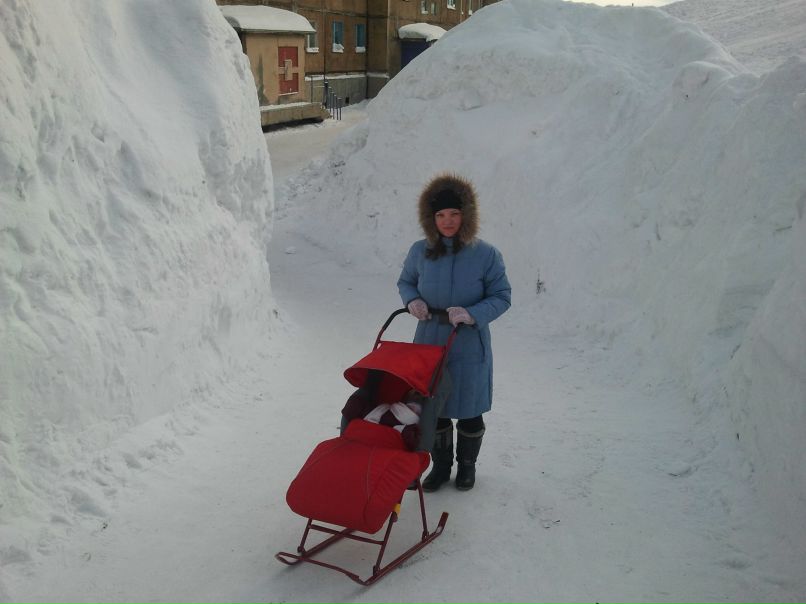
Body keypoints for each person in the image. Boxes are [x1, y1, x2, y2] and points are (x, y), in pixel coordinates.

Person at [397, 173, 511, 491]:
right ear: (431, 218)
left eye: (454, 213)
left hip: (469, 344)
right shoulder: (420, 251)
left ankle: (467, 467)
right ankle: (440, 467)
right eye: (441, 215)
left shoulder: (486, 254)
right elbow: (405, 282)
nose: (447, 221)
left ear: (466, 215)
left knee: (470, 409)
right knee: (436, 409)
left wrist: (473, 314)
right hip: (429, 341)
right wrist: (413, 300)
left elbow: (502, 296)